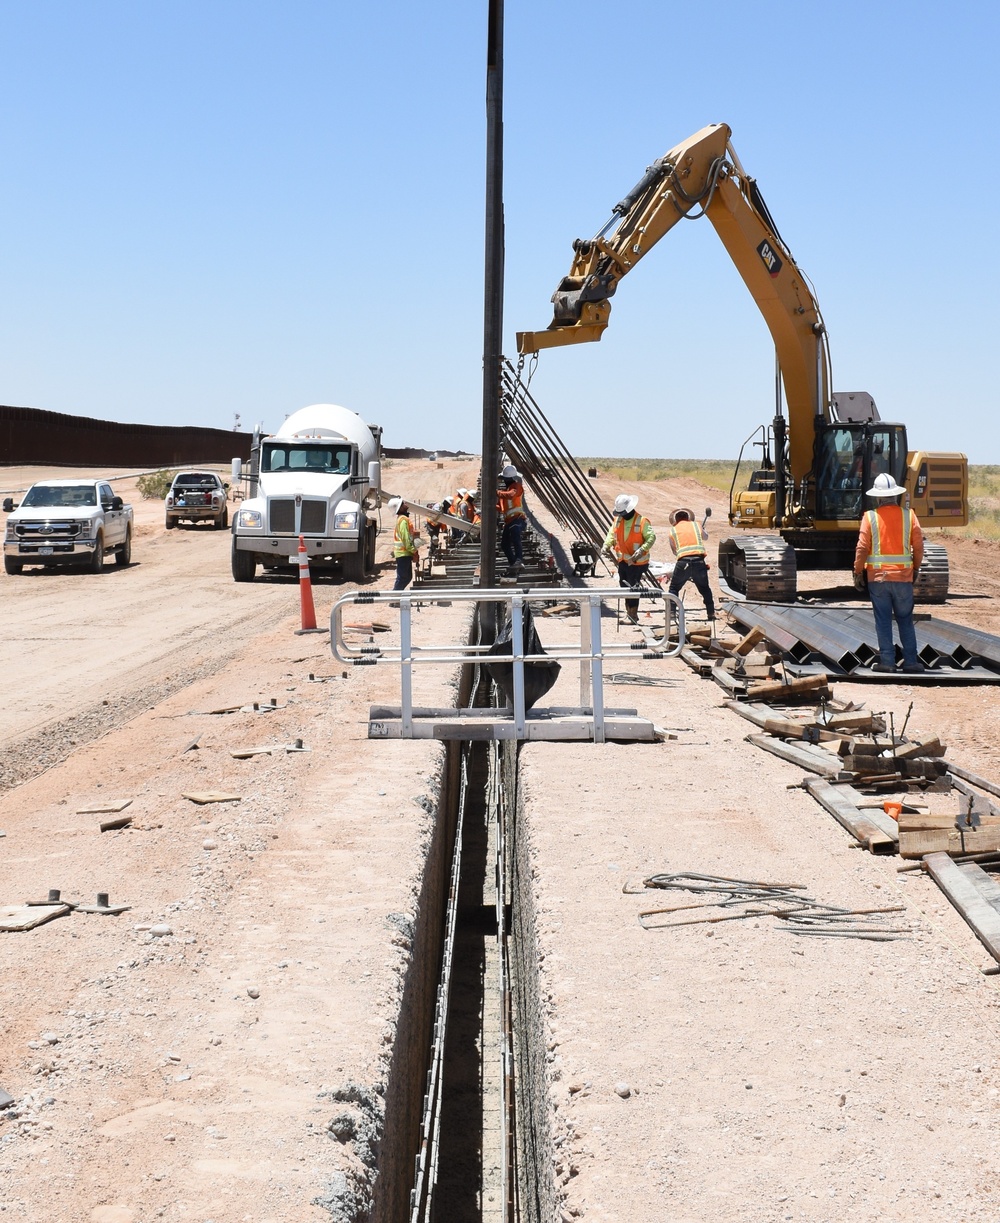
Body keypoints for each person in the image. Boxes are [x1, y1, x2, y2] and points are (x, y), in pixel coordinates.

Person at [853, 472, 925, 673]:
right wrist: (916, 568)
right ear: (896, 494)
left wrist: (858, 572)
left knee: (883, 620)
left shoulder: (870, 517)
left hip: (878, 580)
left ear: (877, 496)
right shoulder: (909, 515)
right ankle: (911, 662)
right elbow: (918, 547)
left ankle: (887, 662)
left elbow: (861, 548)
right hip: (903, 578)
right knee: (905, 620)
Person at [603, 494, 655, 623]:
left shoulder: (642, 521)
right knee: (624, 586)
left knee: (633, 587)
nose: (621, 515)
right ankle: (629, 614)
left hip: (637, 562)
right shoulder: (618, 520)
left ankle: (633, 615)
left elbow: (651, 538)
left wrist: (641, 550)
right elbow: (612, 533)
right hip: (624, 561)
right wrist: (606, 544)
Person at [667, 508, 715, 623]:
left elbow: (674, 551)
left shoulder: (673, 530)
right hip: (699, 561)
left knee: (674, 588)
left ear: (675, 520)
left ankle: (672, 613)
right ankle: (711, 613)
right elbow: (706, 537)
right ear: (688, 518)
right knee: (704, 588)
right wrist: (703, 530)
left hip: (683, 562)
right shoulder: (696, 525)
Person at [497, 465, 527, 576]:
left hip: (518, 519)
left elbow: (511, 495)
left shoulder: (517, 487)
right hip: (509, 522)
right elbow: (501, 508)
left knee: (515, 535)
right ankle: (514, 564)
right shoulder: (505, 492)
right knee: (505, 544)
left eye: (505, 479)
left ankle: (519, 560)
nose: (505, 481)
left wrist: (496, 492)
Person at [389, 496, 420, 591]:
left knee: (407, 577)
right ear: (400, 508)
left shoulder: (403, 519)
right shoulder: (402, 520)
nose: (406, 504)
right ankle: (394, 599)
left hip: (405, 553)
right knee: (402, 578)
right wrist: (413, 551)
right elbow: (405, 538)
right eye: (403, 503)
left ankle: (396, 597)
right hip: (403, 553)